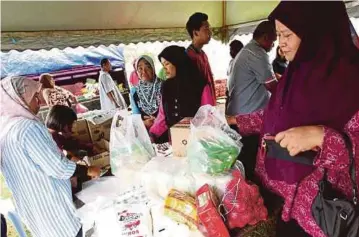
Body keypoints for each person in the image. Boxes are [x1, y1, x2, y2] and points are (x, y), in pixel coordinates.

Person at [227, 1, 359, 236]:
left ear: (315, 31)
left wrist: (321, 136)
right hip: (280, 203)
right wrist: (234, 121)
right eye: (278, 35)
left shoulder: (351, 81)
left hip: (320, 217)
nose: (281, 44)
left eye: (287, 34)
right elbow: (273, 118)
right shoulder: (295, 75)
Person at [0, 76, 83, 237]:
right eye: (33, 96)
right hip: (55, 214)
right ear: (18, 98)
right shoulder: (27, 127)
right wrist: (87, 170)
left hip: (36, 211)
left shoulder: (6, 130)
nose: (39, 100)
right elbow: (59, 168)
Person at [150, 45, 211, 143]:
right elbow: (162, 116)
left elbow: (209, 116)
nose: (164, 69)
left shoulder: (200, 85)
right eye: (163, 65)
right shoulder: (166, 87)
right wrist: (152, 135)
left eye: (167, 64)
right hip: (176, 142)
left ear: (177, 62)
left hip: (198, 143)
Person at [46, 105, 101, 194]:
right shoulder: (52, 137)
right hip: (63, 185)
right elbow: (65, 158)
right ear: (63, 123)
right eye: (70, 125)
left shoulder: (55, 135)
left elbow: (72, 142)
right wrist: (87, 169)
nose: (72, 129)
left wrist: (90, 146)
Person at [226, 20, 277, 116]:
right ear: (266, 37)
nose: (273, 45)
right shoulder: (257, 52)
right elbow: (271, 86)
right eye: (273, 41)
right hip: (245, 116)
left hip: (240, 113)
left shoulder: (249, 49)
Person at [186, 12, 216, 105]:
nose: (210, 32)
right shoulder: (189, 57)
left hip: (209, 107)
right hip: (199, 110)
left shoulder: (203, 54)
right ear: (195, 32)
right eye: (206, 28)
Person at [130, 55, 162, 129]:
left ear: (153, 69)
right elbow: (135, 116)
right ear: (136, 72)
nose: (143, 71)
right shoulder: (134, 91)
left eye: (147, 67)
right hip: (146, 133)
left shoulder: (164, 86)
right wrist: (144, 123)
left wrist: (158, 121)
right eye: (140, 68)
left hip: (165, 131)